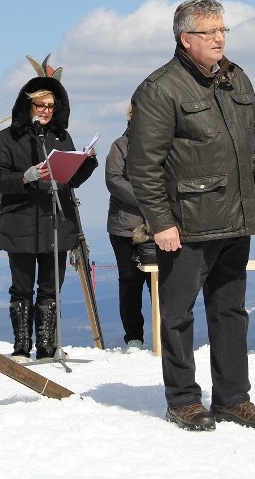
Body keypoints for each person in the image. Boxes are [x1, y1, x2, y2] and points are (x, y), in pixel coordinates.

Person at [126, 0, 255, 431]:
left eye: (222, 31)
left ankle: (233, 398)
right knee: (178, 315)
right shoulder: (160, 88)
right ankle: (183, 401)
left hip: (235, 218)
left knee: (231, 312)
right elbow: (144, 166)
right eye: (209, 33)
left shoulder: (238, 79)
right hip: (186, 225)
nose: (219, 39)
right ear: (185, 38)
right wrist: (161, 223)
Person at [0, 64, 97, 362]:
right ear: (28, 104)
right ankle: (22, 347)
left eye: (51, 106)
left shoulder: (61, 138)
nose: (46, 111)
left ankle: (47, 347)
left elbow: (70, 180)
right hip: (20, 221)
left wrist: (85, 162)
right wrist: (25, 176)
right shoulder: (7, 138)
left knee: (51, 287)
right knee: (22, 287)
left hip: (55, 222)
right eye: (40, 105)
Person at [105, 105, 152, 351]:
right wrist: (149, 198)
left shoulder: (166, 142)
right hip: (125, 226)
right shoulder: (119, 146)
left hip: (160, 225)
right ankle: (133, 336)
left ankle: (167, 332)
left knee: (162, 282)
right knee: (130, 281)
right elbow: (114, 180)